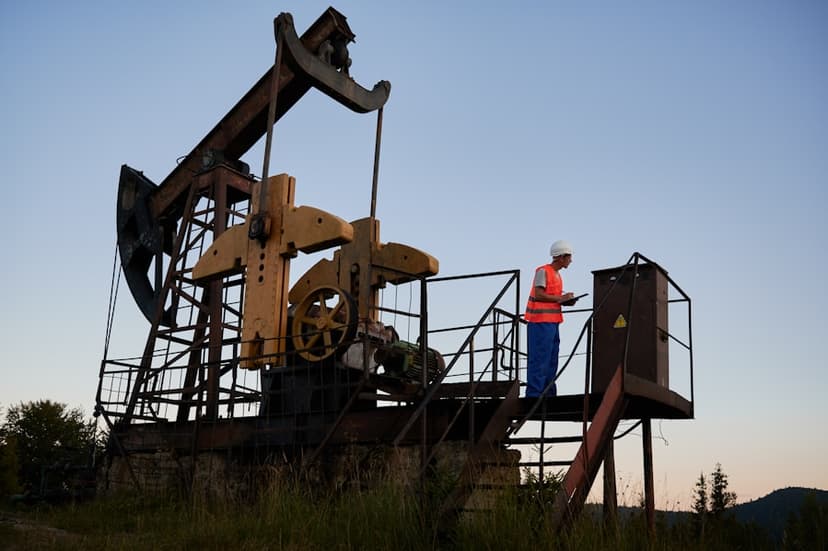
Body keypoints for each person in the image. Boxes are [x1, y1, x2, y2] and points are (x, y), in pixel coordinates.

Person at [524, 240, 580, 398]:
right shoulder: (543, 271)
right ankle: (534, 394)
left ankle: (548, 393)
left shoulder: (557, 275)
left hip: (552, 323)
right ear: (561, 257)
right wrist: (560, 298)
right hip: (540, 322)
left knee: (551, 360)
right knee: (540, 358)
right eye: (569, 257)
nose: (571, 260)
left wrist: (565, 300)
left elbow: (552, 297)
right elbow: (539, 294)